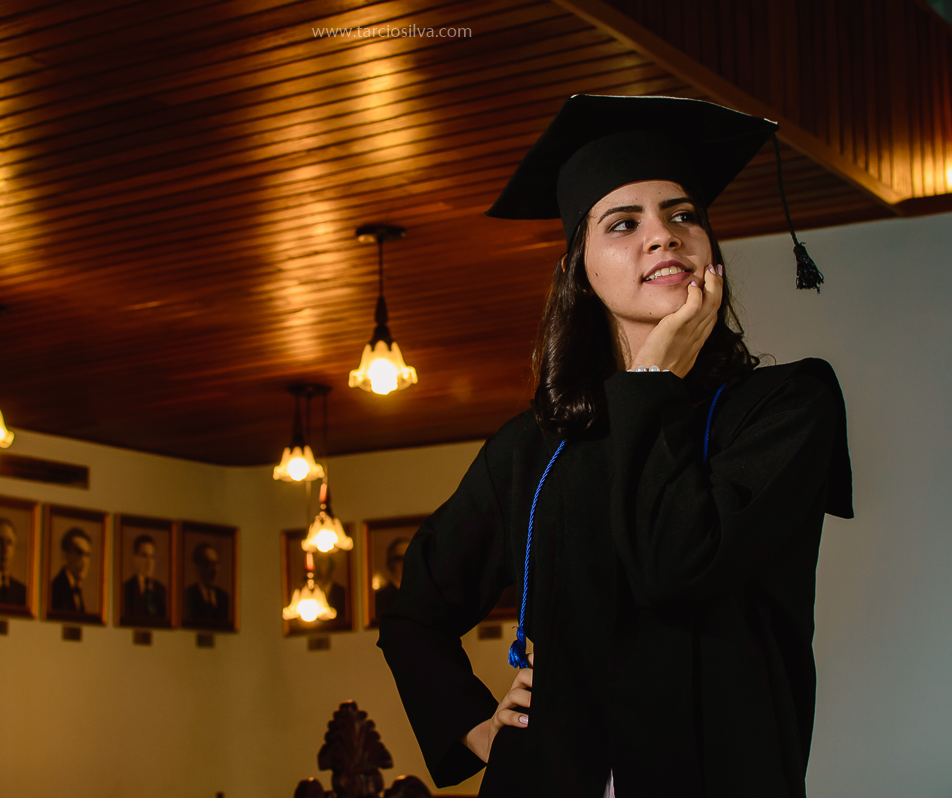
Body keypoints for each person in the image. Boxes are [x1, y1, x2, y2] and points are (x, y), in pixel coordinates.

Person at [378, 95, 852, 798]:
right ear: (581, 268)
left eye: (683, 215)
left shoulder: (783, 408)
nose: (663, 236)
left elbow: (677, 566)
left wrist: (652, 380)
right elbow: (413, 610)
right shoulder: (531, 450)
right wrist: (474, 724)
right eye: (624, 223)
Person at [184, 541, 230, 625]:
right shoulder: (187, 596)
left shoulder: (225, 598)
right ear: (197, 567)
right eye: (208, 564)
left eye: (216, 564)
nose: (215, 570)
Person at [123, 534, 167, 620]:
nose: (149, 562)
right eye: (144, 556)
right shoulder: (126, 588)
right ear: (135, 558)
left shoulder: (162, 590)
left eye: (152, 557)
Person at [51, 527, 93, 614]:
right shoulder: (54, 591)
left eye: (87, 555)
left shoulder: (77, 591)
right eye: (79, 553)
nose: (84, 561)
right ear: (65, 555)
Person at [373, 537, 409, 620]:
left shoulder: (427, 597)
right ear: (389, 563)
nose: (405, 563)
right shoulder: (379, 601)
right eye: (399, 559)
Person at [311, 549, 346, 615]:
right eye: (317, 563)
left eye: (323, 562)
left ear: (331, 566)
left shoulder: (342, 593)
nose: (319, 567)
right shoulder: (307, 593)